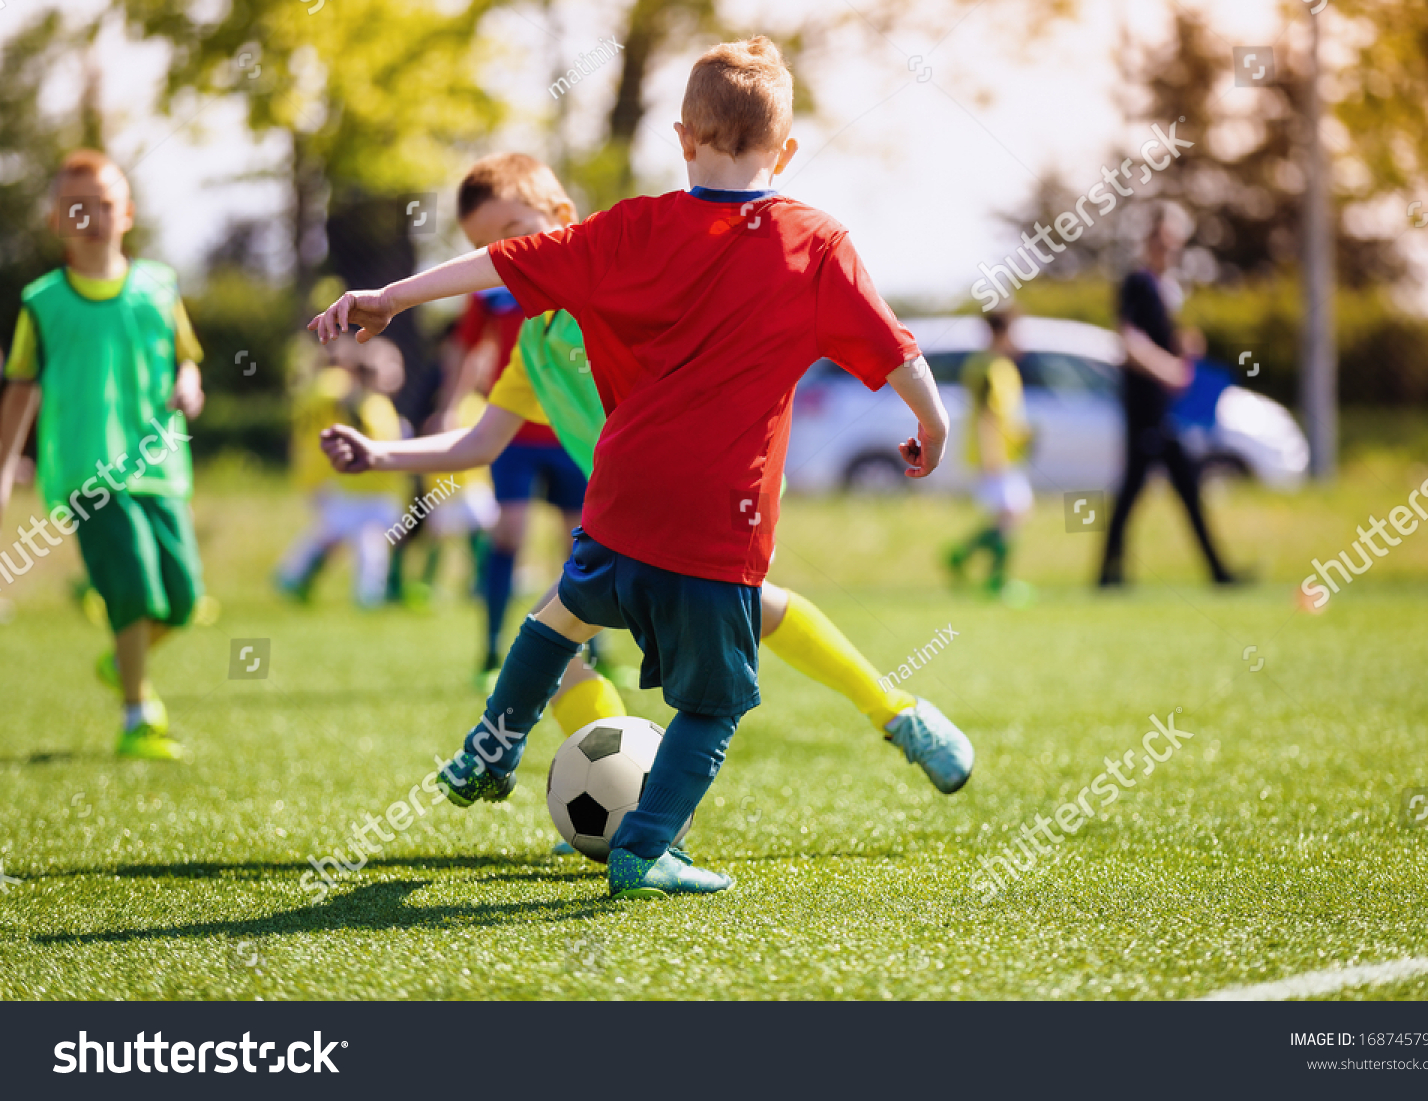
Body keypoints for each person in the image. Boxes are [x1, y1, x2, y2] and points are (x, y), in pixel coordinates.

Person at [310, 38, 961, 898]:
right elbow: (895, 349)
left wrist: (389, 296)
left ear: (683, 137)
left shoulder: (624, 231)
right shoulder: (817, 243)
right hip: (714, 521)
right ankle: (647, 846)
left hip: (615, 502)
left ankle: (494, 741)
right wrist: (935, 422)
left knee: (558, 618)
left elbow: (495, 268)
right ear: (789, 149)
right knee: (714, 703)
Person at [0, 149, 205, 760]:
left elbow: (187, 355)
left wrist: (190, 383)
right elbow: (21, 388)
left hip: (161, 467)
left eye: (104, 204)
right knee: (137, 588)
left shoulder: (161, 287)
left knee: (185, 599)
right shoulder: (42, 301)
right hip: (89, 473)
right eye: (74, 207)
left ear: (129, 214)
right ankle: (139, 715)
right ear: (55, 221)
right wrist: (6, 466)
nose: (91, 216)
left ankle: (124, 659)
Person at [442, 164, 590, 687]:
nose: (501, 255)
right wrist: (450, 403)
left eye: (512, 235)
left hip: (577, 435)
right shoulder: (486, 288)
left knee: (585, 543)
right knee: (509, 534)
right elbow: (467, 349)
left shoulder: (586, 277)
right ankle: (490, 648)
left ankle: (591, 648)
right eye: (485, 246)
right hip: (514, 431)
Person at [1098, 203, 1236, 587]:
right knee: (1138, 491)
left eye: (1175, 244)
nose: (1169, 250)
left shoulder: (1165, 290)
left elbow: (1156, 340)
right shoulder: (1138, 284)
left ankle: (1111, 574)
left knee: (1175, 488)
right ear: (1149, 241)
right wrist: (1168, 367)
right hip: (1145, 410)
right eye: (1163, 242)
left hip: (1163, 412)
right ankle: (1111, 574)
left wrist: (1182, 348)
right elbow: (1130, 341)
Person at [275, 336, 405, 607]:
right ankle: (296, 579)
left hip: (321, 472)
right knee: (341, 537)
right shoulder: (341, 389)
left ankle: (294, 579)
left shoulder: (312, 388)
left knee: (333, 535)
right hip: (335, 475)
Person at [947, 310, 1033, 601]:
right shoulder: (986, 367)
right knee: (1009, 514)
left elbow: (1007, 413)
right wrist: (992, 455)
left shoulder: (1001, 366)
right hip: (993, 456)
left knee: (1012, 514)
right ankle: (997, 581)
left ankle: (962, 555)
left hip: (1007, 455)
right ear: (1002, 333)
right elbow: (987, 415)